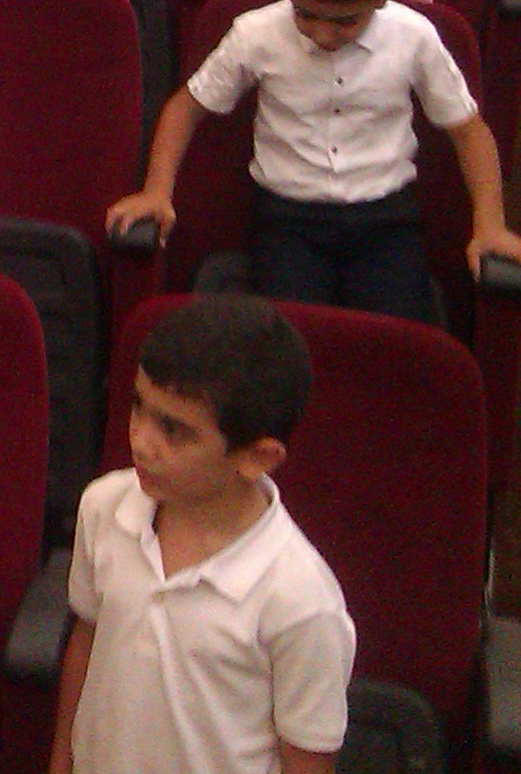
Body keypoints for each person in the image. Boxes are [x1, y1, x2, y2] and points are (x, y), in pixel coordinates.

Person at [112, 0, 521, 321]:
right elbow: (185, 109)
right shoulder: (256, 33)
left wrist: (490, 225)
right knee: (288, 335)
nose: (322, 34)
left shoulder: (414, 37)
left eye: (345, 22)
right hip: (287, 220)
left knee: (395, 339)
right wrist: (156, 191)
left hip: (386, 220)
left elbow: (469, 131)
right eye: (305, 14)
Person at [51, 295, 352, 774]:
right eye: (138, 406)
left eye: (173, 429)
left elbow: (306, 758)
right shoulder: (104, 507)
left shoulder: (302, 601)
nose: (140, 441)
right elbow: (86, 641)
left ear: (256, 458)